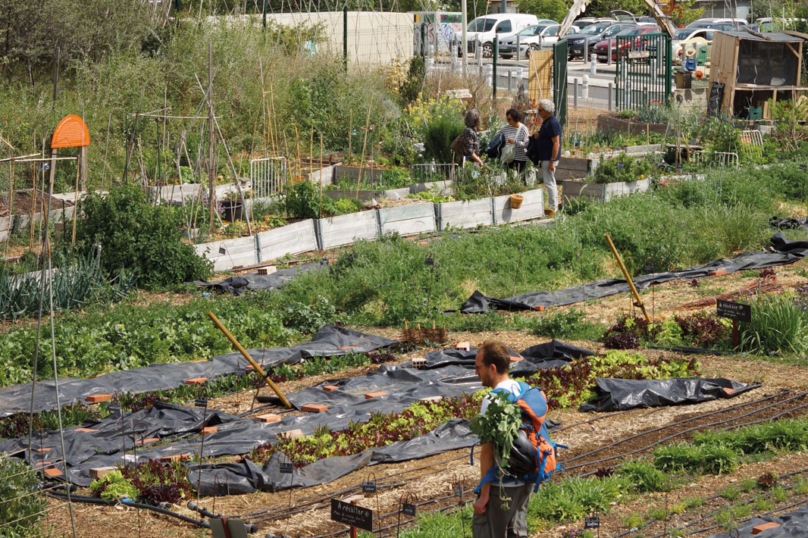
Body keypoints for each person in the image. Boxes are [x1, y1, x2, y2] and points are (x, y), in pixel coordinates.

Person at [472, 341, 533, 538]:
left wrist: (484, 494)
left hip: (503, 485)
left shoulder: (492, 399)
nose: (476, 373)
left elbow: (487, 451)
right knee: (517, 532)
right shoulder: (524, 388)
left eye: (478, 367)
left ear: (492, 368)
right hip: (526, 480)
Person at [531, 99, 562, 214]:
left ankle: (553, 207)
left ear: (547, 111)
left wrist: (552, 161)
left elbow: (556, 143)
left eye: (540, 110)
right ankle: (552, 206)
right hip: (546, 157)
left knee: (549, 182)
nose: (538, 112)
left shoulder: (552, 123)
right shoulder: (547, 121)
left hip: (549, 158)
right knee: (549, 181)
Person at [496, 108, 529, 174]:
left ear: (516, 119)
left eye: (509, 119)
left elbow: (526, 144)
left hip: (520, 158)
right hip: (509, 157)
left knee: (519, 178)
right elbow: (496, 136)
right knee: (508, 177)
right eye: (507, 118)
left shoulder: (523, 129)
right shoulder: (506, 128)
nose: (508, 121)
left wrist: (515, 142)